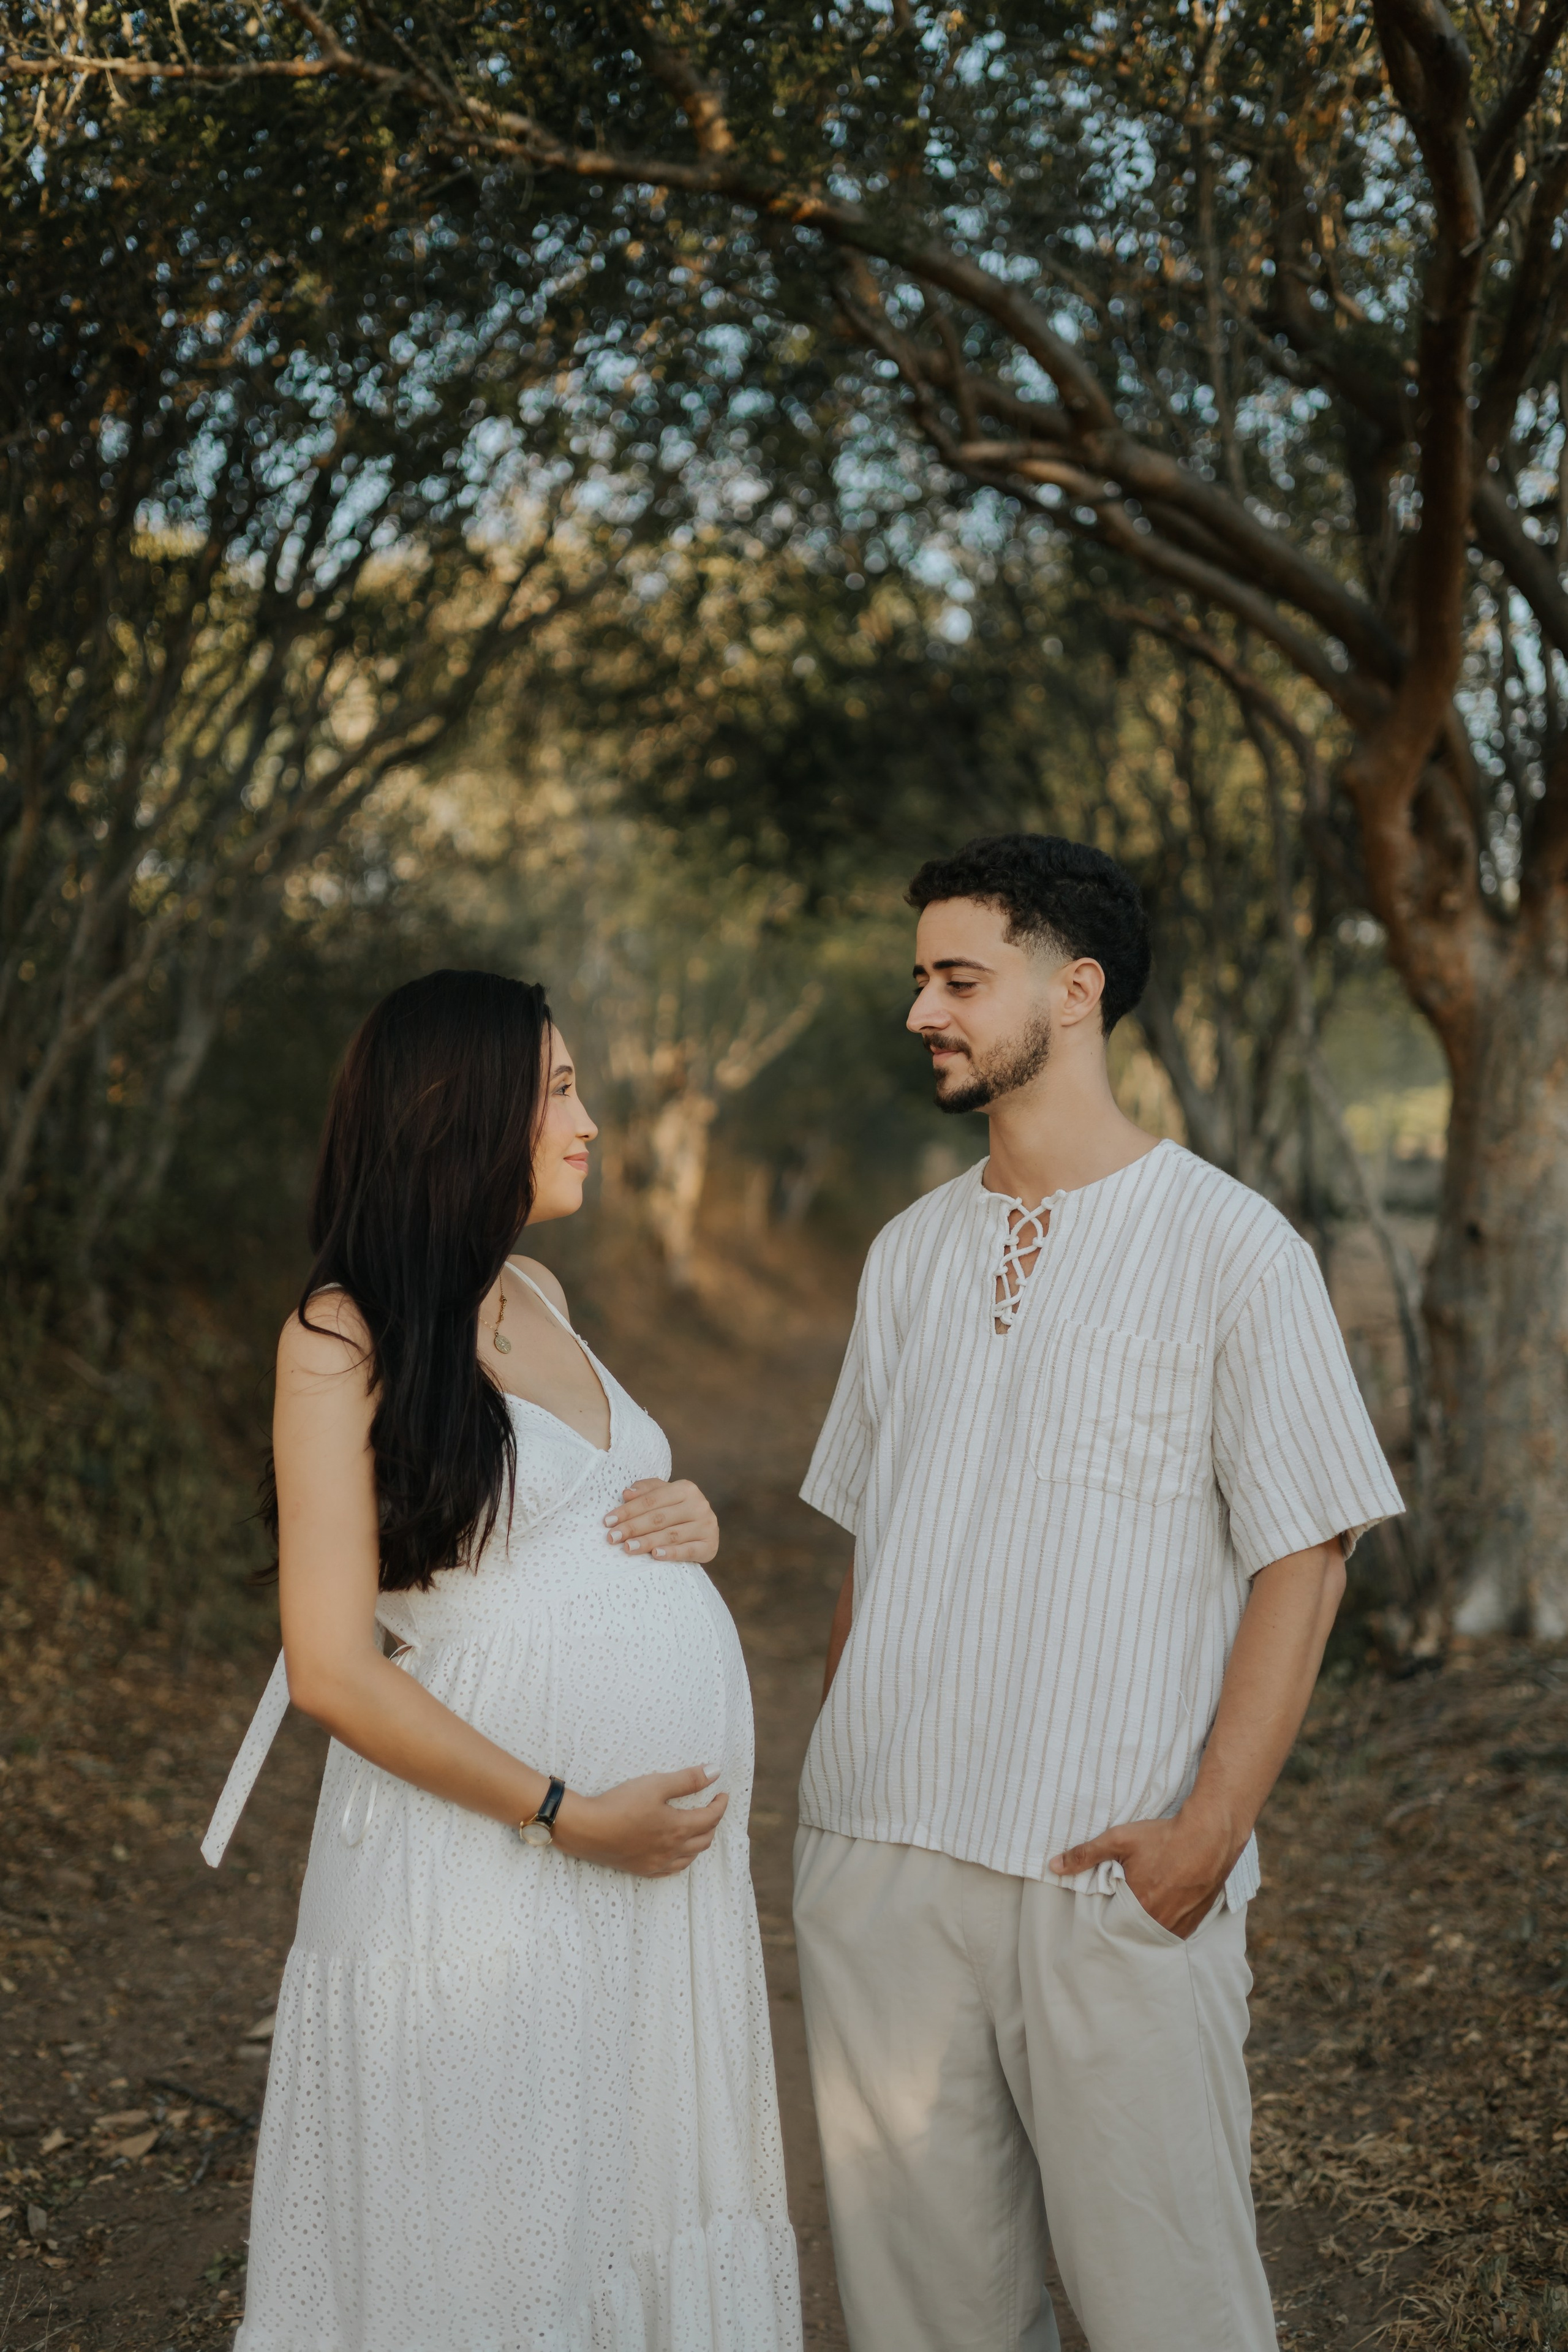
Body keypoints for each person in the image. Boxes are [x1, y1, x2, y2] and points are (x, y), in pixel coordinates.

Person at [792, 837, 1403, 2352]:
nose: (920, 1010)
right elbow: (868, 1546)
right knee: (920, 2321)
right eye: (918, 977)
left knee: (1168, 2311)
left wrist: (1209, 1832)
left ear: (1073, 992)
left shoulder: (1230, 1248)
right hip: (881, 1868)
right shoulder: (906, 1256)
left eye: (956, 978)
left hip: (1109, 1873)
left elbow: (1304, 1551)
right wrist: (841, 1793)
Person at [202, 970, 801, 2352]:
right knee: (489, 2228)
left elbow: (570, 1510)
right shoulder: (339, 1335)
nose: (588, 1122)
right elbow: (332, 1667)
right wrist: (563, 1813)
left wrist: (687, 1513)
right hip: (481, 1862)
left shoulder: (534, 1285)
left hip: (646, 1886)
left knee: (617, 2198)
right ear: (458, 1116)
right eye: (558, 1091)